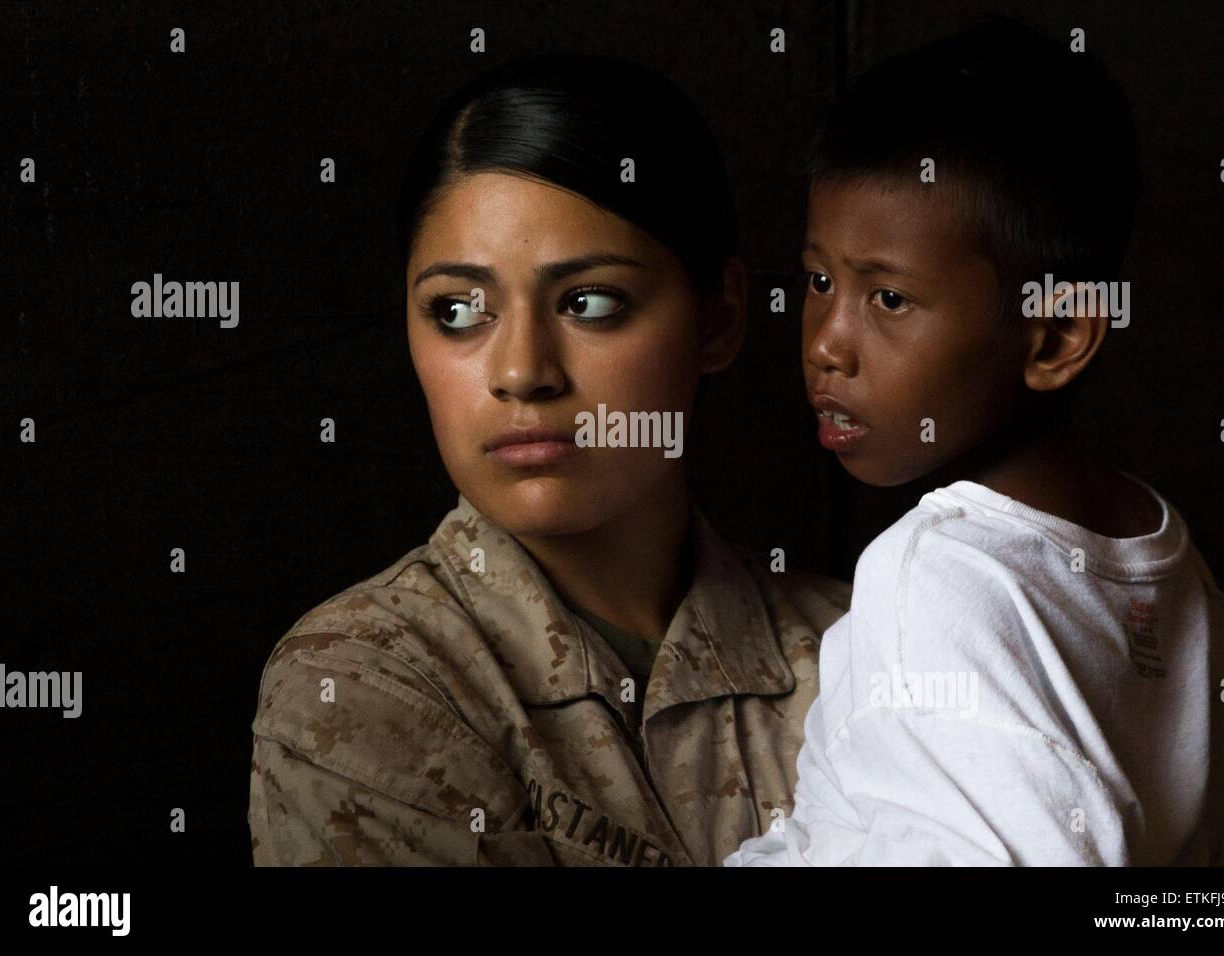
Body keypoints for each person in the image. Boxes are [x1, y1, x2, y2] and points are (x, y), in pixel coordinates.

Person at [248, 52, 851, 866]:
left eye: (589, 302)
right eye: (458, 311)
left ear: (720, 319)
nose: (521, 371)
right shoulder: (363, 681)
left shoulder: (872, 650)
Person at [726, 18, 1224, 866]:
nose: (826, 342)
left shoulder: (933, 576)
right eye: (821, 280)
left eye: (889, 299)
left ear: (1053, 336)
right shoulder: (1171, 564)